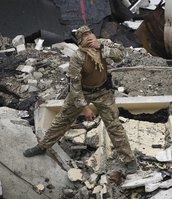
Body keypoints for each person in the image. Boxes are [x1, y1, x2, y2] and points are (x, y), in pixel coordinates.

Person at [23, 25, 137, 174]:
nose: (89, 37)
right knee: (62, 120)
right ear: (80, 42)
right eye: (84, 36)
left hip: (103, 91)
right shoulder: (78, 57)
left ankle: (129, 160)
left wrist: (102, 47)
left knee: (114, 125)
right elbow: (74, 86)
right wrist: (85, 107)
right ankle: (43, 146)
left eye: (90, 33)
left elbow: (121, 55)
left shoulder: (102, 44)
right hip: (82, 92)